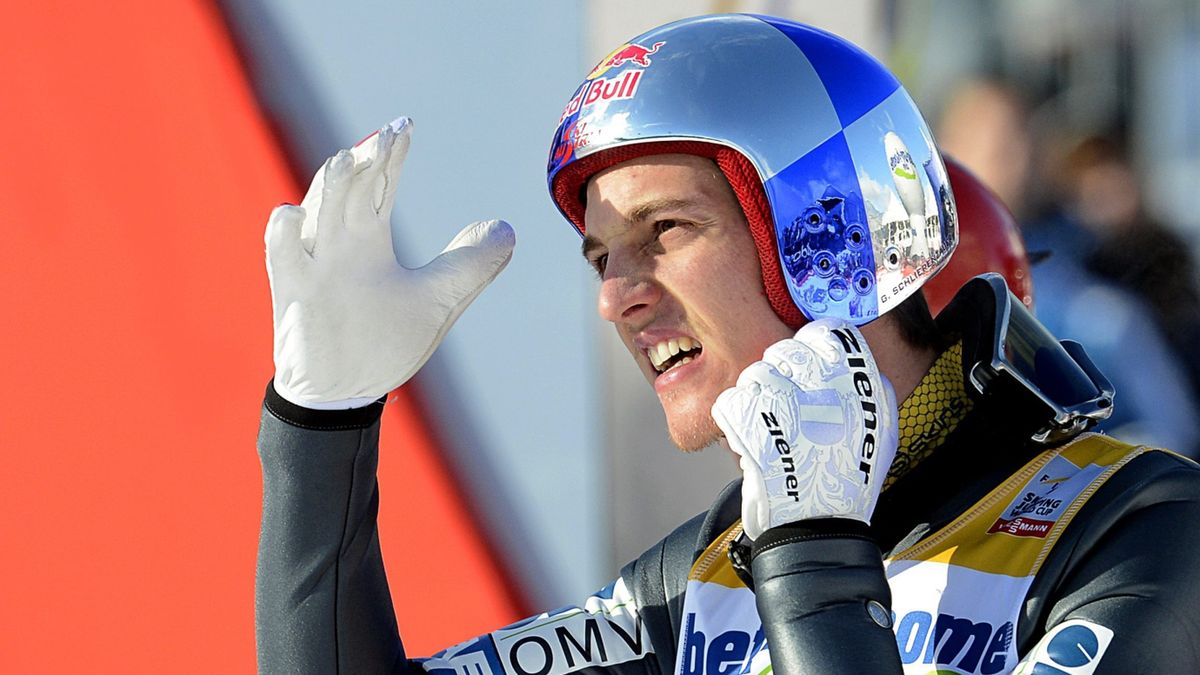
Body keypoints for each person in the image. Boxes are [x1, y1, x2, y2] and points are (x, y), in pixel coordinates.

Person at [256, 15, 1200, 674]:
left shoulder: (1140, 530)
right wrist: (321, 429)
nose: (615, 299)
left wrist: (813, 558)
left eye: (664, 231)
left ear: (828, 236)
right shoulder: (706, 571)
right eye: (601, 258)